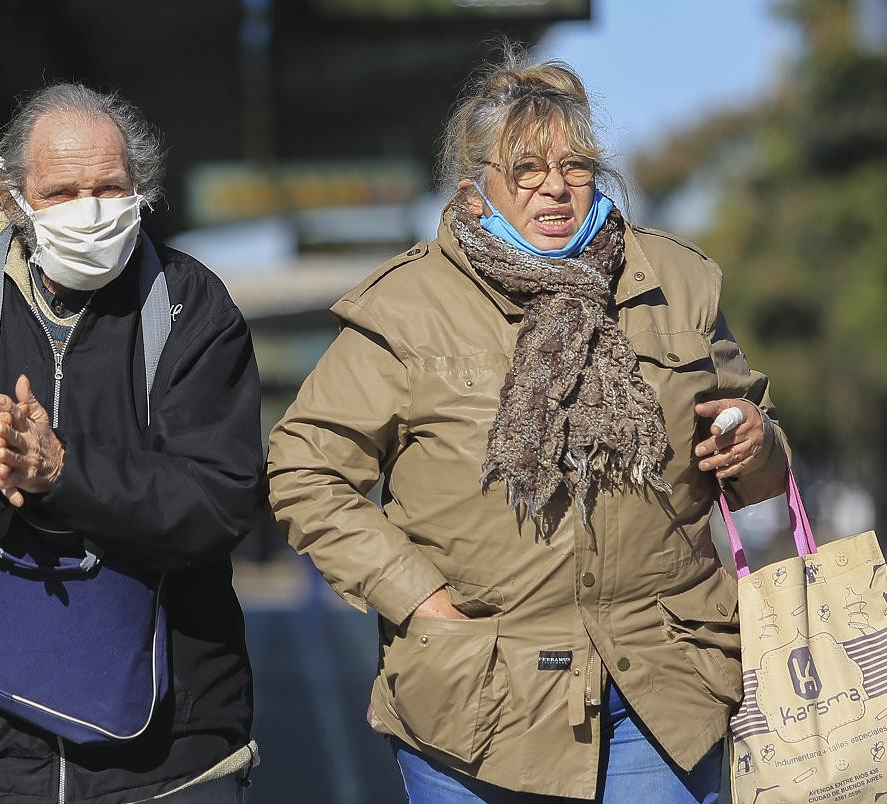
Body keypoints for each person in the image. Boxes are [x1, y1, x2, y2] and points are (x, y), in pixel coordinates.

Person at [266, 49, 790, 803]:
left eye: (574, 166)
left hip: (663, 686)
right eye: (525, 169)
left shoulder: (677, 282)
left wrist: (759, 444)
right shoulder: (406, 308)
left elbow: (757, 449)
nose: (554, 188)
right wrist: (418, 600)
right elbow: (305, 468)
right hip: (476, 699)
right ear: (474, 189)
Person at [0, 84, 262, 802]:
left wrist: (67, 471)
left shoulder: (193, 307)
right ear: (11, 199)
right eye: (62, 191)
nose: (90, 210)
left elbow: (221, 501)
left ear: (142, 191)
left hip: (171, 760)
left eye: (109, 187)